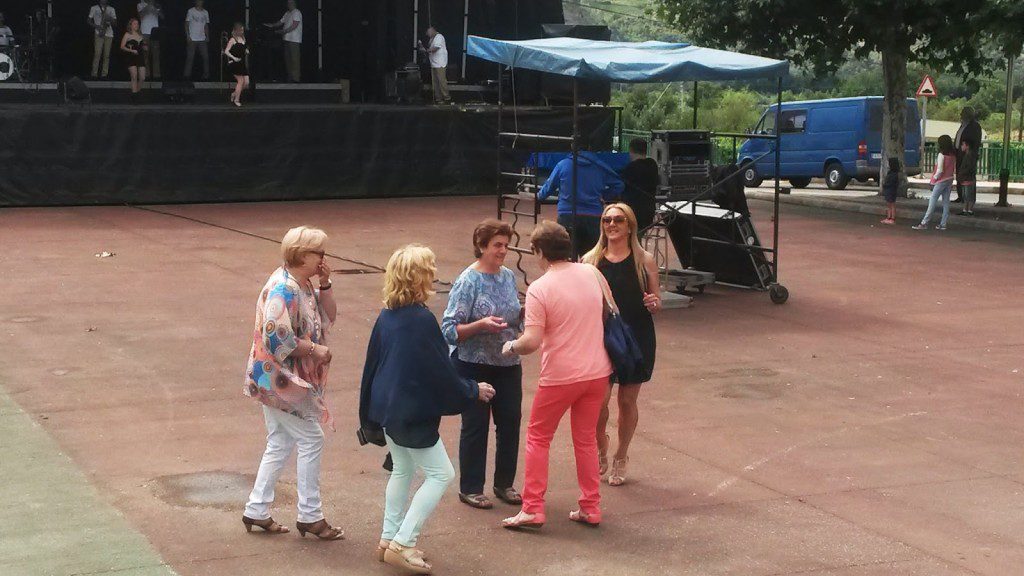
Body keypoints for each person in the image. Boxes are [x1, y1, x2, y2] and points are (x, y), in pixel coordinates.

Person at [360, 244, 495, 574]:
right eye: (429, 269)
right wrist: (472, 389)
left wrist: (368, 412)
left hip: (388, 409)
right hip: (409, 412)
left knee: (403, 470)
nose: (434, 274)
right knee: (441, 474)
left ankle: (388, 538)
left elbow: (372, 364)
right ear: (419, 277)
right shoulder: (420, 319)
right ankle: (403, 542)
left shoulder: (388, 315)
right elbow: (439, 372)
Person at [500, 220, 613, 530]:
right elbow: (606, 313)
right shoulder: (591, 272)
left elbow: (532, 342)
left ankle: (533, 507)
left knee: (538, 437)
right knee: (585, 440)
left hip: (561, 375)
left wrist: (511, 345)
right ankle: (591, 506)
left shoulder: (540, 288)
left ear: (539, 252)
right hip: (597, 371)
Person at [242, 226, 344, 541]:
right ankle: (310, 515)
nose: (324, 259)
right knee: (312, 439)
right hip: (282, 381)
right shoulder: (284, 289)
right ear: (302, 255)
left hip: (273, 381)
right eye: (320, 254)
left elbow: (330, 316)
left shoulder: (303, 284)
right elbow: (276, 337)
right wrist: (315, 349)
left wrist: (325, 283)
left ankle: (256, 510)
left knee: (280, 441)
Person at [441, 219, 524, 511]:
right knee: (476, 426)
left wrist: (526, 321)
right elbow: (449, 329)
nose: (503, 250)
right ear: (481, 246)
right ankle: (471, 488)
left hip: (508, 361)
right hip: (473, 363)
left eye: (506, 244)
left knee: (510, 421)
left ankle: (504, 483)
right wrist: (480, 325)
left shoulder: (508, 276)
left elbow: (515, 315)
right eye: (497, 245)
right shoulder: (468, 281)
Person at [582, 203, 660, 487]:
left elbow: (656, 300)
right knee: (598, 402)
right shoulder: (590, 260)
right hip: (601, 337)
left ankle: (621, 455)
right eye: (606, 220)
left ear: (630, 225)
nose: (611, 224)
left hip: (636, 336)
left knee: (627, 400)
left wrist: (654, 303)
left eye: (618, 220)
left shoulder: (644, 260)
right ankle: (601, 446)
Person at [538, 151, 625, 259]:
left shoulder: (563, 165)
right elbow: (619, 184)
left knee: (565, 257)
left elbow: (548, 188)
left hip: (567, 215)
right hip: (593, 216)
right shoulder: (600, 166)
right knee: (591, 259)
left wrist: (538, 196)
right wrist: (605, 196)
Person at [913, 135, 956, 231]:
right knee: (946, 202)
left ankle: (924, 222)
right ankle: (943, 223)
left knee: (932, 200)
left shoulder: (941, 155)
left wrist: (934, 179)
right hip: (949, 178)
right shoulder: (953, 155)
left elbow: (940, 170)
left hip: (941, 180)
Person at [619, 138, 660, 236]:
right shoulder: (652, 165)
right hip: (649, 212)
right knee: (636, 238)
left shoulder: (630, 168)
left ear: (631, 150)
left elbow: (620, 186)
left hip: (633, 212)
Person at [265, 0, 302, 83]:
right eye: (288, 3)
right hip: (286, 39)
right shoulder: (287, 13)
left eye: (290, 3)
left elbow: (294, 25)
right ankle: (290, 77)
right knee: (288, 59)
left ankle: (296, 78)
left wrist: (283, 31)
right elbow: (281, 22)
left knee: (294, 59)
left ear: (294, 3)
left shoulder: (297, 12)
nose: (288, 4)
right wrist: (272, 25)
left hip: (294, 40)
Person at [953, 106, 982, 203]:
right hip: (959, 153)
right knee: (960, 174)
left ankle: (968, 199)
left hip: (968, 155)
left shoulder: (975, 126)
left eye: (962, 113)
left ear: (968, 115)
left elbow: (975, 141)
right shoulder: (963, 125)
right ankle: (961, 196)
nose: (961, 115)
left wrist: (967, 150)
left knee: (968, 176)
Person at [418, 26, 450, 104]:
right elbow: (429, 51)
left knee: (441, 81)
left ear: (432, 30)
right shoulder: (432, 39)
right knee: (435, 82)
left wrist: (426, 50)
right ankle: (438, 98)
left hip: (440, 63)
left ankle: (447, 98)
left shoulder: (439, 37)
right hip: (434, 63)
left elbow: (435, 49)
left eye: (428, 33)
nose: (427, 35)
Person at [88, 0, 117, 79]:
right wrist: (96, 26)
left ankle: (104, 74)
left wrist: (109, 18)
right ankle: (94, 74)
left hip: (109, 33)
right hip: (99, 33)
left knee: (106, 55)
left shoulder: (111, 9)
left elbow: (115, 23)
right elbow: (89, 20)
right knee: (97, 54)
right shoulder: (94, 8)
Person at [120, 19, 147, 100]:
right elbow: (122, 47)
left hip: (140, 57)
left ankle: (137, 92)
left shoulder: (140, 35)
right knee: (134, 76)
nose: (136, 25)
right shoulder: (127, 34)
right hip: (131, 57)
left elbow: (144, 46)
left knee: (142, 77)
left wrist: (145, 47)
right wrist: (131, 50)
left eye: (137, 24)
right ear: (130, 25)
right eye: (135, 24)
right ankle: (134, 94)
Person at [224, 22, 249, 107]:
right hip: (234, 63)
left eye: (242, 30)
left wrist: (246, 51)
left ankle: (234, 93)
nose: (242, 31)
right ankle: (236, 99)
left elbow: (244, 48)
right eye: (240, 30)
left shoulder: (243, 38)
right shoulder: (232, 39)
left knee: (246, 83)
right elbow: (226, 51)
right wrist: (234, 58)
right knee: (241, 81)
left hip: (241, 63)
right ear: (236, 30)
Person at [183, 0, 210, 80]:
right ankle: (186, 76)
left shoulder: (205, 12)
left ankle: (206, 75)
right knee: (190, 57)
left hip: (202, 38)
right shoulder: (191, 11)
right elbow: (186, 24)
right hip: (192, 38)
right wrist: (188, 36)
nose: (200, 2)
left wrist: (207, 36)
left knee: (206, 57)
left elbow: (206, 25)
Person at [137, 1, 162, 79]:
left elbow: (162, 17)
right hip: (144, 32)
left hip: (155, 32)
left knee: (156, 54)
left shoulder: (157, 4)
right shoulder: (140, 4)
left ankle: (156, 75)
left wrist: (156, 9)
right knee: (145, 54)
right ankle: (146, 75)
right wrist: (148, 6)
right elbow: (140, 16)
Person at [957, 141, 978, 216]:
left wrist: (961, 174)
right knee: (966, 195)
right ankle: (966, 209)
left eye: (963, 145)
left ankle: (968, 210)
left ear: (967, 146)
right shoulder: (968, 155)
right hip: (967, 178)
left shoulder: (969, 155)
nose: (961, 146)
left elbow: (969, 168)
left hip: (967, 178)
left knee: (968, 195)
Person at [880, 157, 900, 225]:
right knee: (890, 205)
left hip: (891, 190)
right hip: (890, 190)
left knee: (891, 204)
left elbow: (891, 183)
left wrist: (885, 185)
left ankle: (892, 218)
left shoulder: (893, 174)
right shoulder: (893, 173)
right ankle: (889, 217)